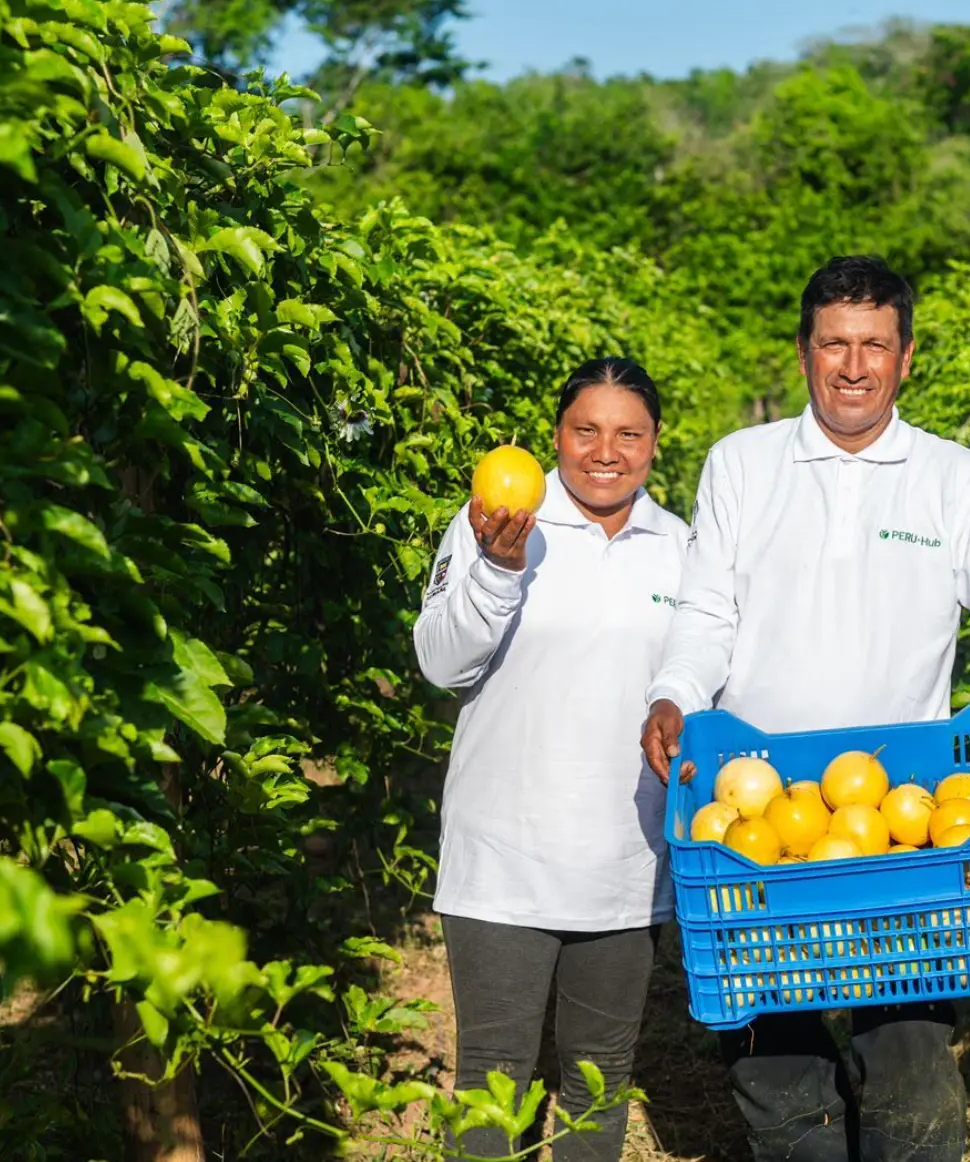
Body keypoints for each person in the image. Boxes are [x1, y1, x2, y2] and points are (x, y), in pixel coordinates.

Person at [638, 255, 970, 1162]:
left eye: (874, 345)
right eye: (834, 344)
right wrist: (673, 695)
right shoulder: (742, 465)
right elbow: (707, 613)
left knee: (912, 1067)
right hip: (757, 815)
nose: (853, 366)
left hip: (905, 821)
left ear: (906, 357)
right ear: (804, 352)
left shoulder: (951, 477)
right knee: (778, 1077)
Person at [414, 356, 686, 1162]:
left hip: (627, 862)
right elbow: (439, 663)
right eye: (585, 430)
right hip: (503, 859)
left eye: (628, 434)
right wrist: (498, 571)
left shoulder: (682, 548)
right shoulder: (497, 521)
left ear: (655, 442)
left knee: (599, 1081)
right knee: (492, 1079)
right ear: (555, 437)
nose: (605, 451)